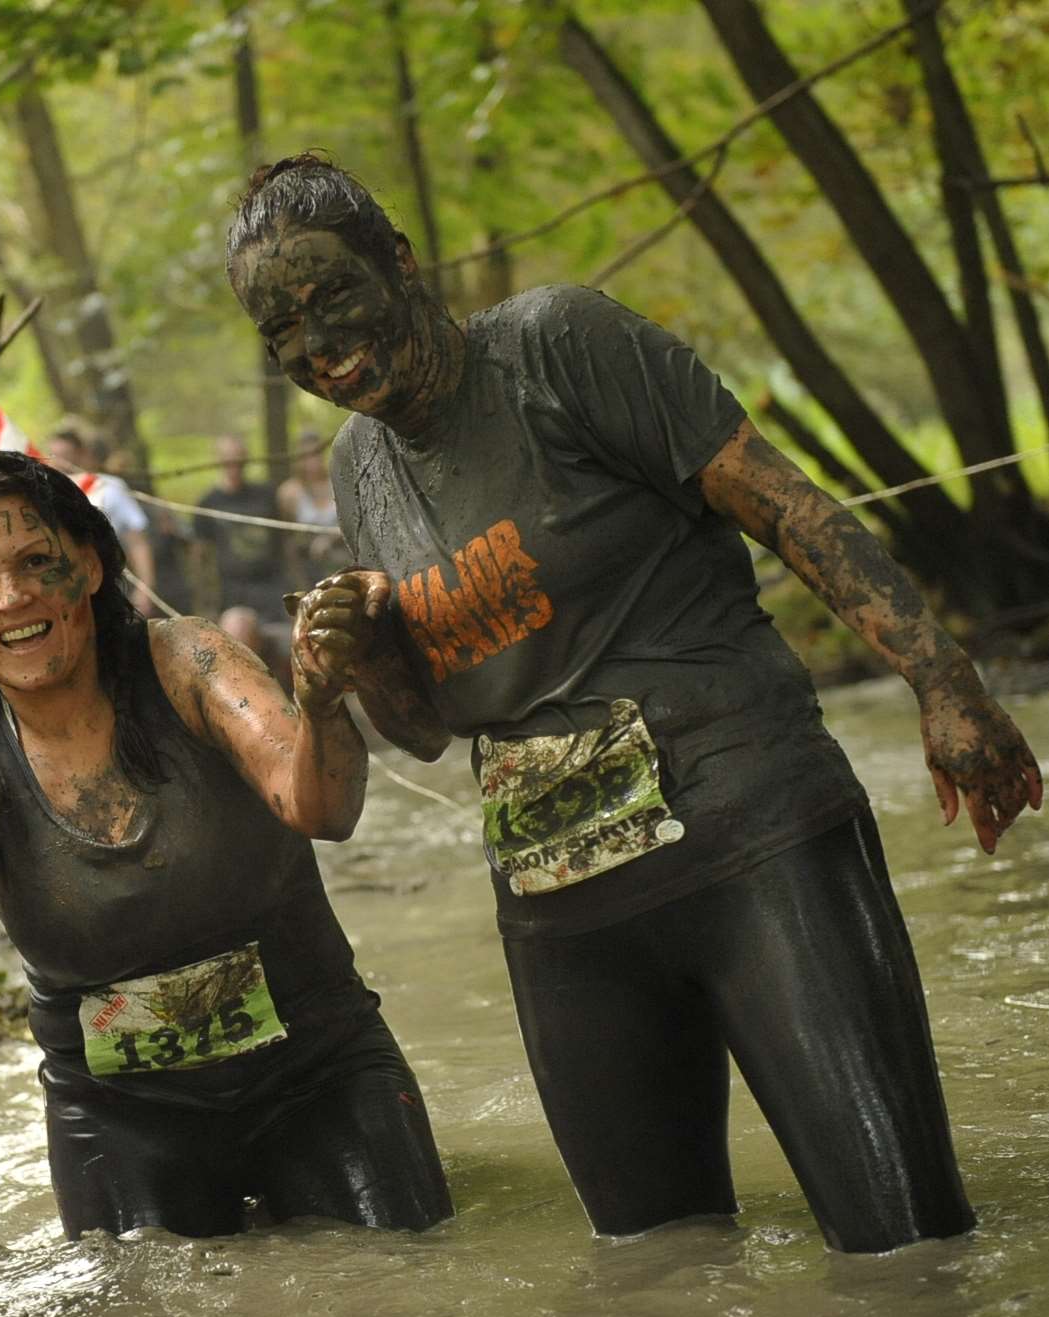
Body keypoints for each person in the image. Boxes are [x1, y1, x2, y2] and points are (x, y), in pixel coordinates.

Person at [225, 153, 1043, 1253]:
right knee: (656, 1278)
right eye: (284, 329)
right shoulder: (357, 467)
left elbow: (784, 504)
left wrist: (944, 683)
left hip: (751, 832)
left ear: (400, 262)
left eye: (333, 294)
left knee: (906, 1247)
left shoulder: (555, 344)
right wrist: (358, 658)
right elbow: (428, 726)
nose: (319, 342)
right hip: (560, 906)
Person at [0, 449, 454, 1240]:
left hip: (316, 1068)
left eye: (38, 562)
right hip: (121, 1114)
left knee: (408, 1272)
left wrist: (319, 701)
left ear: (93, 565)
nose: (12, 598)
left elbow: (321, 805)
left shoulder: (187, 661)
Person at [43, 425, 161, 614]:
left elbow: (137, 541)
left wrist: (145, 588)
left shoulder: (107, 488)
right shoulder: (44, 494)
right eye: (53, 455)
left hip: (109, 587)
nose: (59, 462)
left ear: (81, 454)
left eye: (65, 455)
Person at [194, 434, 290, 619]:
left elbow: (285, 543)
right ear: (218, 460)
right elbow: (201, 556)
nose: (234, 465)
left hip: (272, 586)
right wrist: (205, 603)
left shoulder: (266, 495)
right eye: (228, 459)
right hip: (233, 592)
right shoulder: (208, 503)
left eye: (238, 458)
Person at [277, 428, 344, 589]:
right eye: (307, 456)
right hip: (308, 564)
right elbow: (287, 537)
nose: (313, 461)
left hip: (341, 557)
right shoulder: (289, 492)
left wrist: (329, 540)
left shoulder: (338, 483)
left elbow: (353, 524)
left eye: (316, 454)